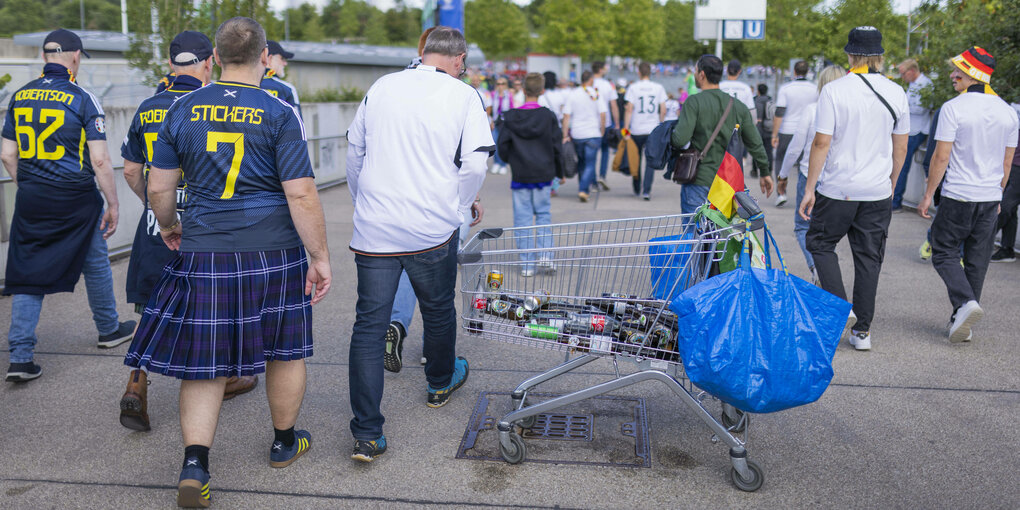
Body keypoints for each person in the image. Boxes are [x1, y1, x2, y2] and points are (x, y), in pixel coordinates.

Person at [123, 17, 331, 506]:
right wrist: (319, 257)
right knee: (285, 349)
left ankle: (195, 463)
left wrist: (171, 225)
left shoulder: (182, 107)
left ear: (214, 59)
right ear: (264, 57)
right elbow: (300, 194)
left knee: (205, 363)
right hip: (274, 251)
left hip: (207, 248)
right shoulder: (280, 111)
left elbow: (157, 185)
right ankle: (284, 443)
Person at [345, 26, 490, 462]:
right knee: (439, 308)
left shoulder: (382, 87)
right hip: (431, 225)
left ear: (422, 53)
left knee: (368, 327)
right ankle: (440, 382)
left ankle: (368, 433)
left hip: (376, 229)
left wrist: (365, 201)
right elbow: (475, 163)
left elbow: (355, 152)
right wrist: (458, 207)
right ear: (460, 60)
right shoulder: (464, 96)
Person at [118, 31, 258, 432]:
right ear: (208, 62)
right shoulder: (206, 106)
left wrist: (152, 202)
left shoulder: (147, 107)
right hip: (200, 224)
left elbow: (130, 168)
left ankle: (136, 383)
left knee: (150, 307)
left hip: (155, 223)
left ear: (169, 64)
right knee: (209, 308)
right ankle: (223, 378)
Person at [2, 29, 135, 383]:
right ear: (75, 56)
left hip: (33, 196)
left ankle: (20, 357)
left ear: (45, 57)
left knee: (28, 272)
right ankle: (108, 329)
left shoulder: (20, 95)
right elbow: (101, 161)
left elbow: (6, 154)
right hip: (76, 198)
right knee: (94, 260)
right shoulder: (82, 98)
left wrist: (28, 186)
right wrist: (113, 203)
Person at [798, 26, 910, 352]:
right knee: (869, 258)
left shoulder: (834, 91)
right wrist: (892, 182)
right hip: (877, 190)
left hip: (838, 188)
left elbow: (821, 142)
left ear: (850, 54)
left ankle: (839, 305)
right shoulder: (897, 92)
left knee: (819, 243)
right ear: (880, 56)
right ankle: (862, 332)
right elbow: (900, 147)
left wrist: (809, 188)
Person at [918, 47, 1018, 343]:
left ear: (973, 74)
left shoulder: (954, 107)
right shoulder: (1008, 111)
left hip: (958, 195)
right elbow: (1007, 161)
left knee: (943, 250)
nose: (952, 75)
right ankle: (962, 321)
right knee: (977, 259)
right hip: (989, 198)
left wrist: (927, 195)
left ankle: (964, 303)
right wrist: (999, 195)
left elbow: (940, 157)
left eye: (958, 71)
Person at [671, 55, 773, 215]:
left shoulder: (694, 102)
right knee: (722, 235)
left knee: (694, 234)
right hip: (728, 183)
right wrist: (765, 172)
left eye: (696, 71)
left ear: (702, 74)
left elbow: (680, 139)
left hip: (699, 179)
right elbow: (755, 143)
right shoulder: (738, 106)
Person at [777, 65, 846, 282]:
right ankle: (825, 267)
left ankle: (816, 266)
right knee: (828, 232)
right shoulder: (850, 109)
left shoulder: (812, 109)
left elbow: (796, 146)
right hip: (837, 177)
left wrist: (783, 174)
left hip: (811, 175)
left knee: (803, 226)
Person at [497, 72, 563, 276]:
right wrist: (559, 171)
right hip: (544, 173)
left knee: (522, 219)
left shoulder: (510, 116)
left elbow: (502, 145)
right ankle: (545, 256)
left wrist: (512, 160)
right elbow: (556, 146)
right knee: (543, 215)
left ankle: (527, 264)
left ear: (523, 90)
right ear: (542, 91)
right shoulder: (548, 116)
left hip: (521, 174)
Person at [772, 61, 818, 203]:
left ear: (794, 72)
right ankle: (804, 192)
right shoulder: (815, 88)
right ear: (808, 71)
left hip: (787, 129)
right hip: (809, 129)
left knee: (780, 158)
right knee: (804, 162)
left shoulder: (786, 88)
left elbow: (780, 111)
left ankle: (781, 192)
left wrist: (774, 134)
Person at [891, 58, 933, 211]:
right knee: (899, 163)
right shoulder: (913, 85)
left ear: (912, 71)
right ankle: (894, 199)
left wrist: (902, 107)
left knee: (901, 165)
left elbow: (921, 109)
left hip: (917, 130)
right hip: (911, 129)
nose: (902, 77)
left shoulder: (924, 85)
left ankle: (895, 201)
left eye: (903, 74)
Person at [622, 62, 667, 200]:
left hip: (636, 129)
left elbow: (629, 109)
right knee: (650, 161)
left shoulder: (633, 87)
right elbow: (663, 109)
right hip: (652, 129)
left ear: (639, 72)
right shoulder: (658, 87)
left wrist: (625, 130)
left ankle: (636, 187)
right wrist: (661, 126)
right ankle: (646, 190)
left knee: (636, 160)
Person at [562, 70, 607, 202]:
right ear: (591, 80)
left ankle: (583, 188)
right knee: (590, 163)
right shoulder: (596, 94)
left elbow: (566, 116)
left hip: (578, 134)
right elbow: (603, 114)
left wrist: (565, 134)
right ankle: (583, 188)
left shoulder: (573, 94)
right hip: (593, 133)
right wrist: (602, 130)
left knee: (582, 162)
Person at [991, 112, 1020, 262]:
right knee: (1011, 210)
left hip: (1017, 167)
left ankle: (980, 242)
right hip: (1012, 164)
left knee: (1004, 207)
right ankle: (1007, 249)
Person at [592, 61, 620, 191]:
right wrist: (617, 123)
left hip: (592, 122)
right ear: (601, 69)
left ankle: (592, 180)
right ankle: (602, 175)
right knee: (604, 151)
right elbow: (613, 105)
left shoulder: (588, 83)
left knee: (591, 153)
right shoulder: (608, 85)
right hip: (606, 122)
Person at [260, 40, 301, 120]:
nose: (285, 63)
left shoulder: (245, 85)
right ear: (269, 58)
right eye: (282, 58)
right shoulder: (287, 89)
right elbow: (297, 126)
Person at [490, 75, 515, 175]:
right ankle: (496, 163)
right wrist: (491, 121)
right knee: (495, 142)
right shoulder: (493, 94)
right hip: (496, 121)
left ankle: (503, 164)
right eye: (499, 84)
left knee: (503, 144)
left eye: (503, 84)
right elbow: (490, 109)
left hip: (506, 122)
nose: (500, 86)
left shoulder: (509, 95)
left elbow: (512, 108)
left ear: (506, 85)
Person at [753, 83, 774, 176]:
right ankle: (769, 169)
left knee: (756, 149)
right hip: (769, 127)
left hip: (757, 128)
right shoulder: (770, 100)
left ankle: (755, 170)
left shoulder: (755, 100)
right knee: (769, 150)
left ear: (758, 91)